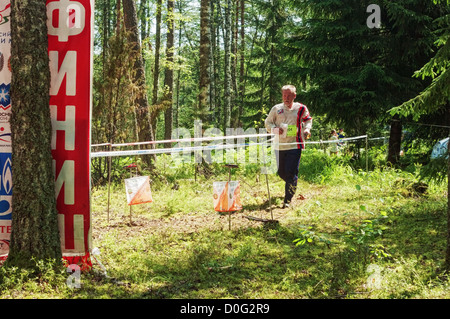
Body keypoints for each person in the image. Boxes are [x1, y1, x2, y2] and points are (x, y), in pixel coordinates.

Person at [265, 85, 312, 208]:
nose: (286, 98)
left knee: (291, 172)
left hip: (295, 145)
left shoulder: (301, 108)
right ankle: (292, 183)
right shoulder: (276, 109)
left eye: (289, 95)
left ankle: (288, 200)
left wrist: (307, 129)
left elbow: (308, 120)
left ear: (294, 96)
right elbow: (267, 123)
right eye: (284, 95)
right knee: (281, 172)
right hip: (279, 145)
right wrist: (275, 129)